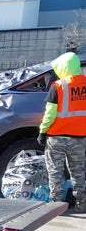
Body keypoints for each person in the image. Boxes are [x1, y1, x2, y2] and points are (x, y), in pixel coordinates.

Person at [37, 52, 86, 212]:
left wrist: (42, 132)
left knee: (55, 172)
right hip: (80, 138)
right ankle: (81, 204)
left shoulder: (58, 87)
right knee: (78, 172)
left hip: (56, 137)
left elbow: (50, 113)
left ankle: (57, 207)